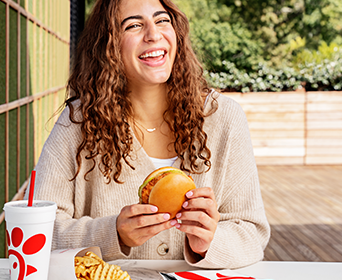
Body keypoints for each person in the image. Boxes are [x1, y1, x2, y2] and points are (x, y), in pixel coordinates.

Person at [29, 0, 270, 269]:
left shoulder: (223, 118)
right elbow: (37, 233)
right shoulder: (78, 122)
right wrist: (113, 234)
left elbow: (253, 234)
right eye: (133, 25)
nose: (153, 34)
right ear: (108, 44)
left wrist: (208, 241)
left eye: (162, 20)